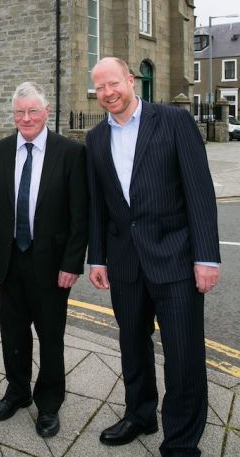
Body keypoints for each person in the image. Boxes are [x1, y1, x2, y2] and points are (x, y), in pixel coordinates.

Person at [86, 57, 220, 456]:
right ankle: (140, 414)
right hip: (125, 263)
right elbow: (98, 204)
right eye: (100, 89)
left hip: (176, 258)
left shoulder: (173, 121)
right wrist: (97, 258)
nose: (108, 94)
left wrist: (207, 257)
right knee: (132, 345)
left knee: (183, 352)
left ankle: (180, 440)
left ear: (131, 79)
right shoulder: (95, 138)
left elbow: (199, 189)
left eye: (114, 84)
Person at [0, 82, 88, 438]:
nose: (25, 118)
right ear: (12, 115)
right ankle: (17, 392)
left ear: (45, 112)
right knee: (12, 333)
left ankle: (48, 404)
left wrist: (72, 264)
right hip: (11, 261)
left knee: (51, 336)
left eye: (32, 111)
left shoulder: (70, 153)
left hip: (52, 264)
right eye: (19, 112)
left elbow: (80, 215)